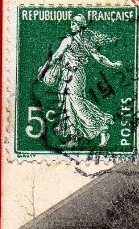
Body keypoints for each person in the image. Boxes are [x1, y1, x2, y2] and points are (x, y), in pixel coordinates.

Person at [36, 14, 123, 148]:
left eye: (73, 23)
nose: (71, 25)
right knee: (68, 103)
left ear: (78, 26)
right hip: (73, 74)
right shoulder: (86, 42)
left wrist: (42, 71)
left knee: (76, 102)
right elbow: (99, 58)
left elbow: (55, 57)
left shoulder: (68, 41)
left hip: (73, 75)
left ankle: (102, 128)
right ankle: (74, 137)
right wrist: (112, 64)